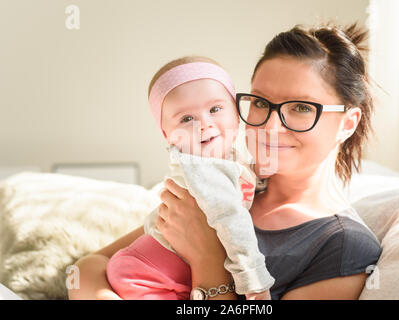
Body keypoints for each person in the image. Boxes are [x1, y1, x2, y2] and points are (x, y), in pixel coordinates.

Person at [68, 23, 382, 300]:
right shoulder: (227, 184)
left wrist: (207, 257)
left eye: (300, 107)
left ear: (347, 123)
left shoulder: (341, 246)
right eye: (260, 102)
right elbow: (89, 267)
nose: (270, 126)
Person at [105, 56, 274, 300]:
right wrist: (255, 284)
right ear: (168, 134)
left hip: (158, 268)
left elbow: (243, 178)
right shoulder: (201, 168)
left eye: (215, 109)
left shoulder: (230, 160)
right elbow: (233, 223)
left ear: (237, 115)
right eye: (186, 119)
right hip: (149, 275)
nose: (204, 124)